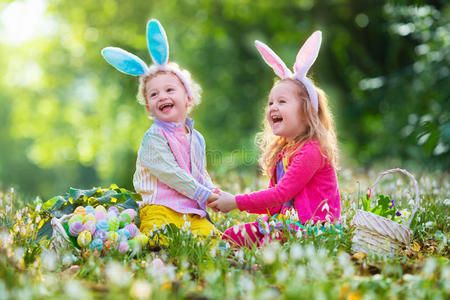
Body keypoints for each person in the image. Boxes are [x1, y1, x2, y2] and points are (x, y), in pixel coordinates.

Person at [208, 31, 340, 248]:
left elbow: (280, 195)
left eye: (282, 101)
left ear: (307, 112)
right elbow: (273, 204)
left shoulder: (312, 151)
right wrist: (228, 198)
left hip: (313, 228)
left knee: (270, 244)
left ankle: (262, 269)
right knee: (233, 236)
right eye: (270, 103)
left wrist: (235, 202)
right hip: (283, 223)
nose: (273, 107)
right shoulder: (283, 152)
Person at [102, 19, 219, 244]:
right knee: (159, 238)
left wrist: (213, 190)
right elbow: (171, 173)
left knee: (214, 241)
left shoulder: (197, 138)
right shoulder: (154, 138)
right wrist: (204, 194)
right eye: (153, 95)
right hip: (160, 207)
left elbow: (199, 172)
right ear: (148, 107)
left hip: (191, 211)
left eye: (169, 90)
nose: (162, 96)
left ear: (188, 97)